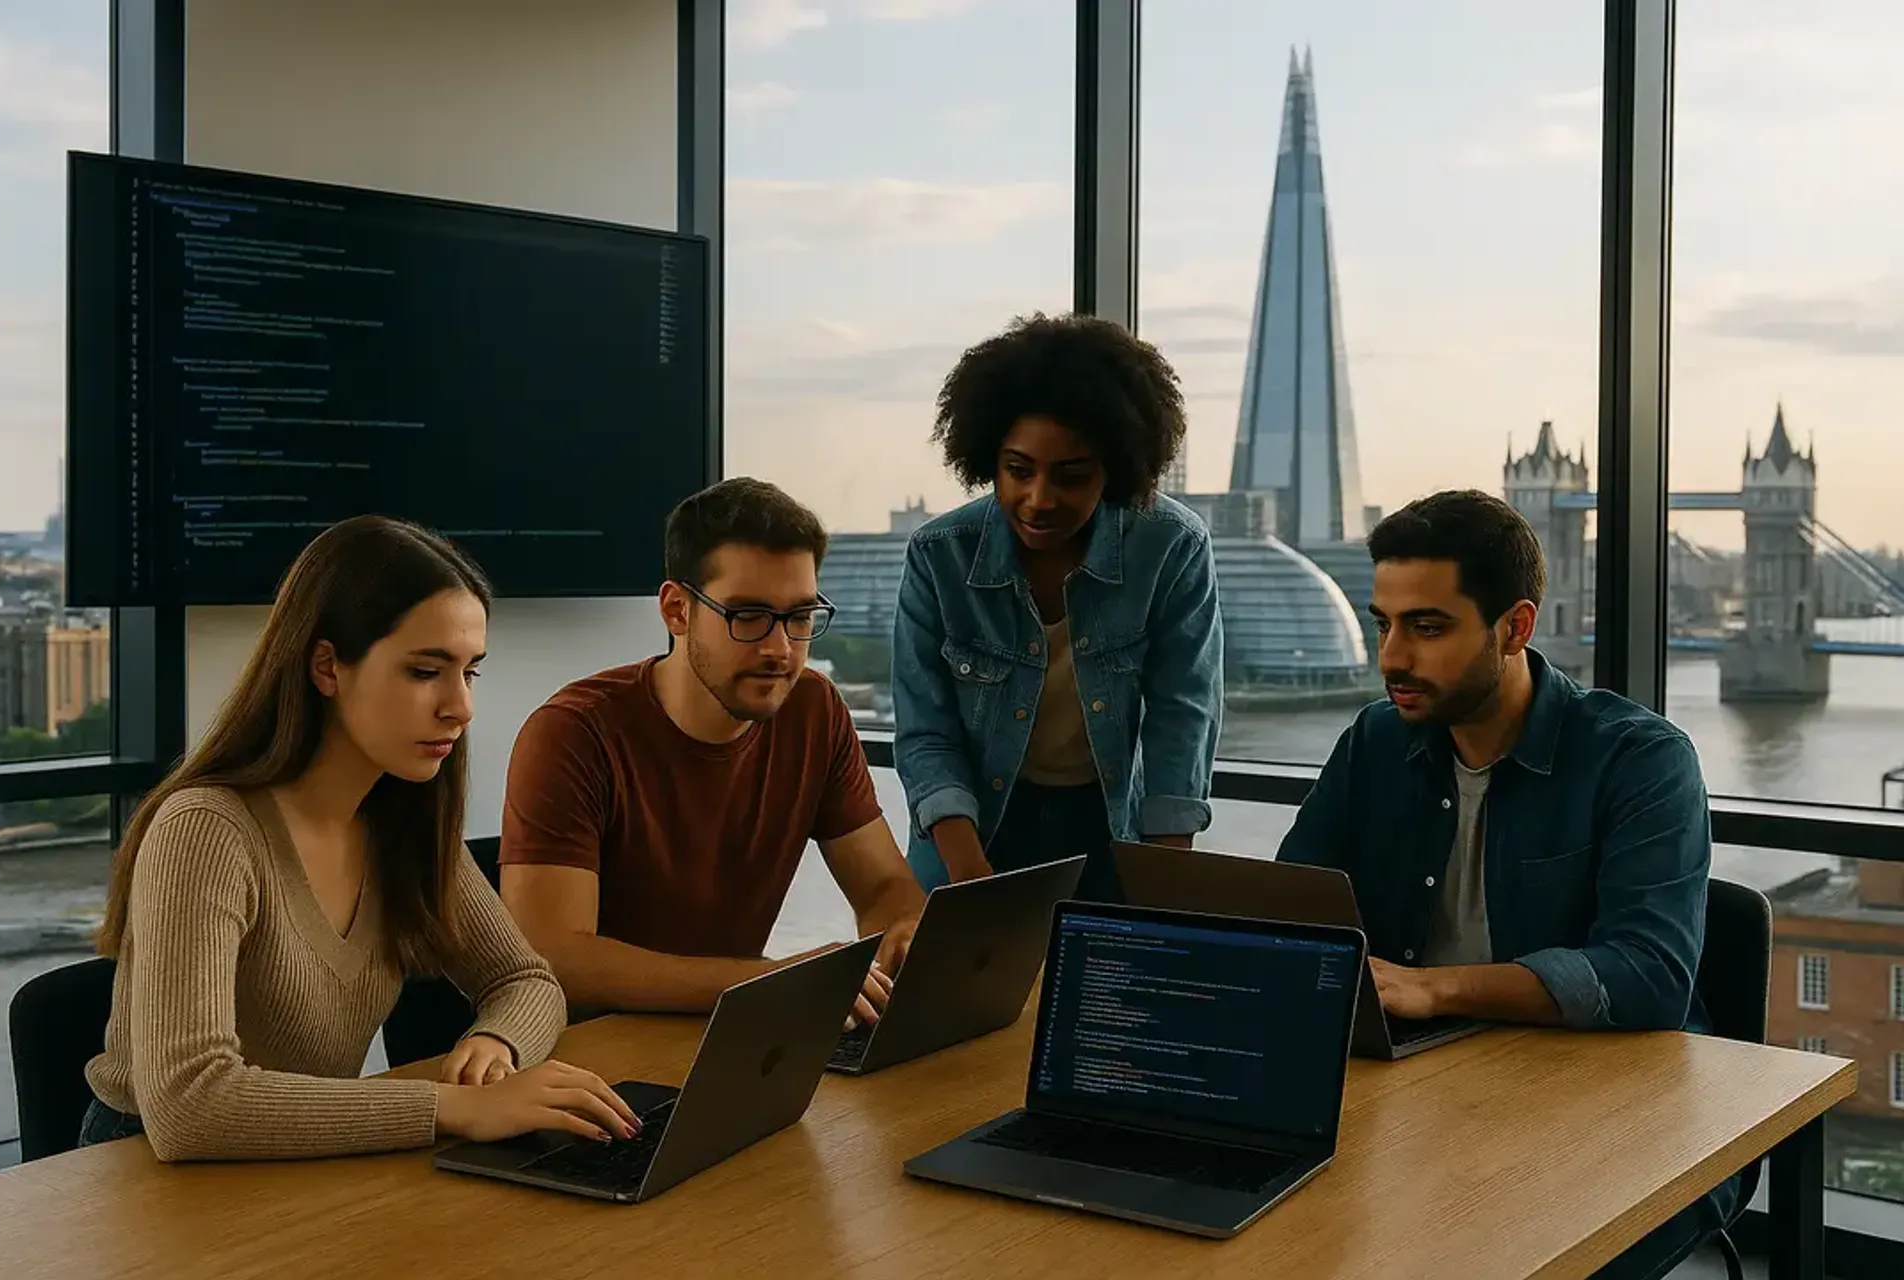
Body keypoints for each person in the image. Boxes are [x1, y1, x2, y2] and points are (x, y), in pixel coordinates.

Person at [83, 516, 640, 1162]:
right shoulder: (206, 829)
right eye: (425, 671)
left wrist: (499, 1045)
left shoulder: (402, 822)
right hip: (141, 1183)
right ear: (327, 666)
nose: (460, 707)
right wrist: (454, 1107)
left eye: (470, 673)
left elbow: (527, 980)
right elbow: (189, 1105)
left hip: (293, 1168)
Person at [1277, 489, 1731, 1279]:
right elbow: (1291, 909)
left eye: (1427, 627)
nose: (1390, 657)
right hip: (1418, 1096)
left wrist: (1438, 990)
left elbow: (1650, 977)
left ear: (1515, 628)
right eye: (1382, 622)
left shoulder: (1641, 759)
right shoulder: (1374, 743)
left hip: (1614, 1115)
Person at [498, 478, 926, 1023]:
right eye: (748, 616)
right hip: (591, 1057)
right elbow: (555, 958)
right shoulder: (572, 733)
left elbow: (884, 885)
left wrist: (902, 930)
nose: (781, 650)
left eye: (799, 618)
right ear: (677, 610)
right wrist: (774, 982)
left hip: (734, 1036)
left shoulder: (814, 709)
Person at [892, 312, 1223, 902]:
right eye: (1018, 470)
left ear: (1116, 470)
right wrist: (969, 878)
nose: (1038, 499)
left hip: (1107, 821)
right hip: (971, 827)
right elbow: (925, 731)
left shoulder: (1173, 546)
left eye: (1071, 476)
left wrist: (1167, 885)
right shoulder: (939, 556)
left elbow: (1183, 717)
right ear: (987, 456)